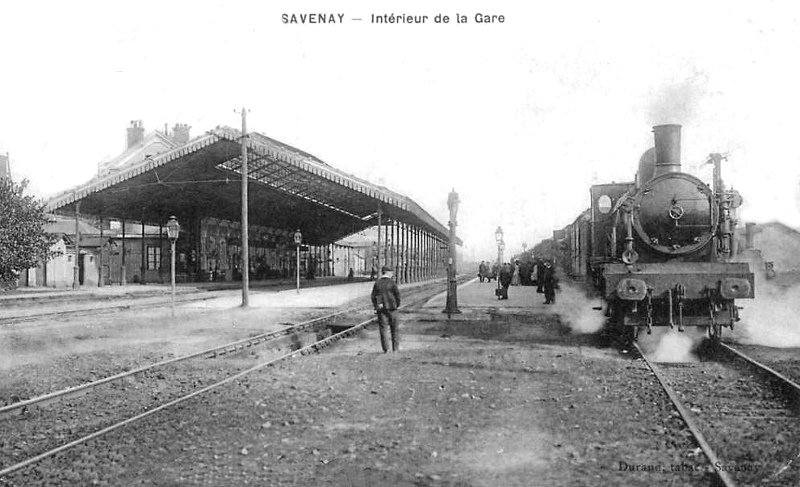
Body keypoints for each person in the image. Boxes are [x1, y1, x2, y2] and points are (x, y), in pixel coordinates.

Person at [371, 266, 401, 353]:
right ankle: (395, 349)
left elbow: (373, 296)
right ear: (387, 273)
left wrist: (377, 305)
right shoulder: (392, 283)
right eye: (391, 272)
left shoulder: (377, 283)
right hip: (393, 308)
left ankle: (386, 349)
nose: (392, 274)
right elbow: (397, 295)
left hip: (381, 309)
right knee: (394, 328)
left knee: (383, 329)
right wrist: (397, 305)